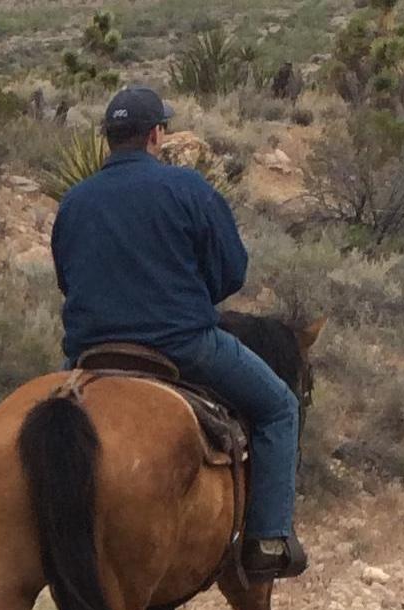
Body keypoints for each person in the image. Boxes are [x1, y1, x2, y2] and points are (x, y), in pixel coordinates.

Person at [51, 84, 307, 583]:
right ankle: (267, 538)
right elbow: (231, 272)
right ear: (155, 135)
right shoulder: (188, 189)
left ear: (108, 139)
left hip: (90, 353)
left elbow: (67, 279)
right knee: (279, 406)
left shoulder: (75, 201)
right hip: (183, 345)